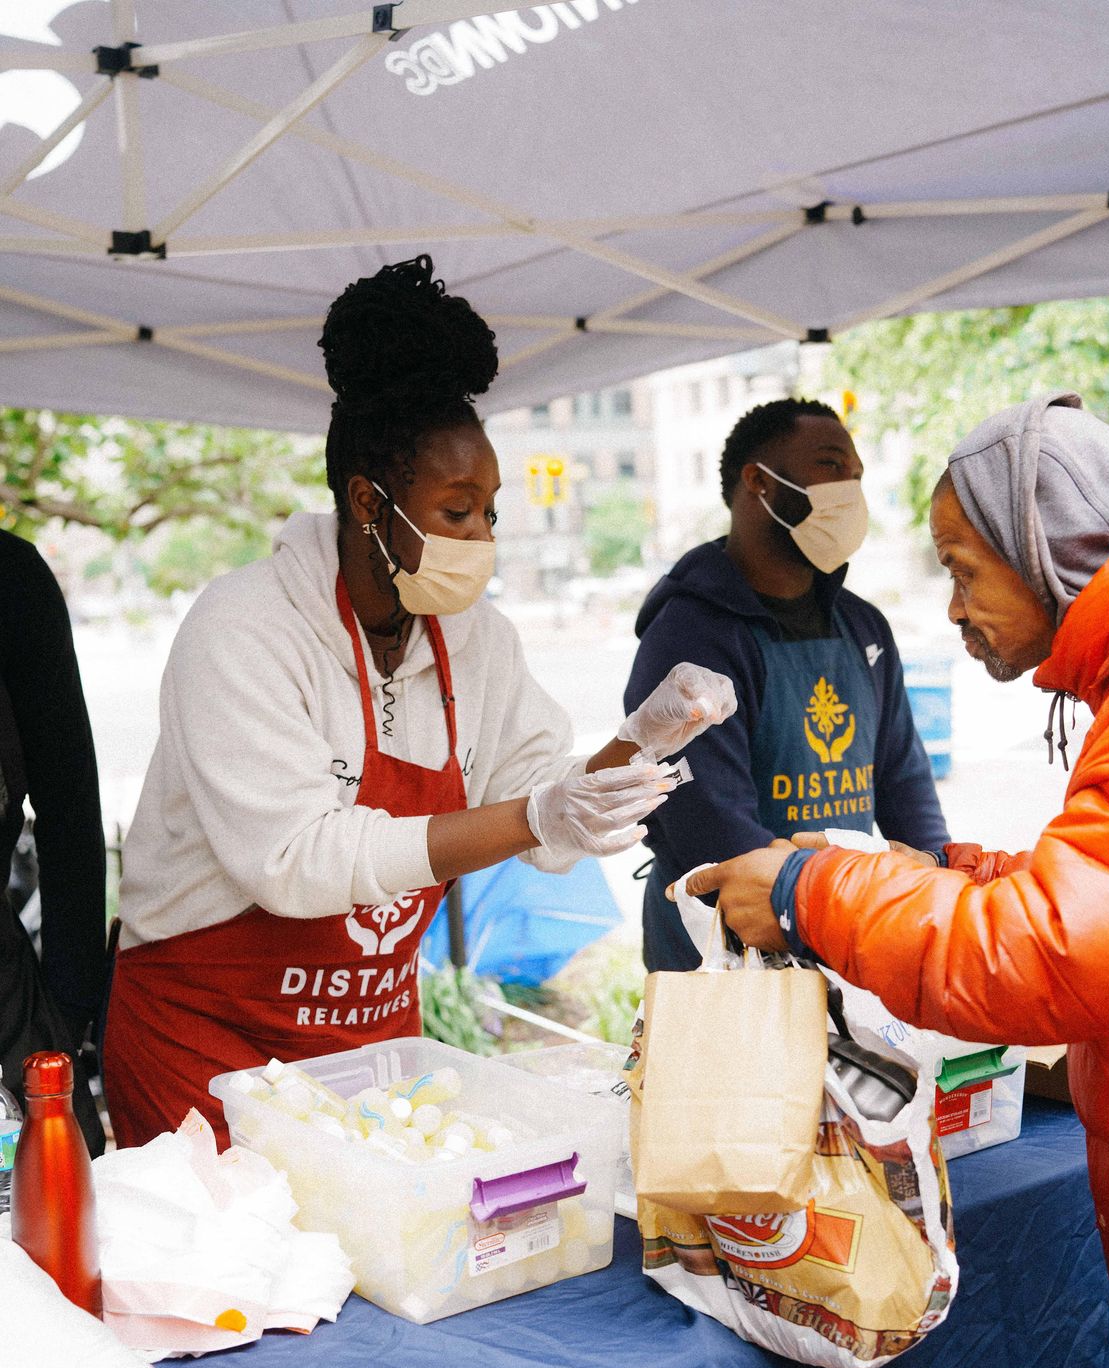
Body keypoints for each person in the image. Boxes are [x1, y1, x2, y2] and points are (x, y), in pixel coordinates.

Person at [687, 392, 1109, 1368]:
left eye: (968, 570)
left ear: (1049, 552)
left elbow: (1054, 956)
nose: (954, 604)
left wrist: (818, 889)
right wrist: (957, 872)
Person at [102, 256, 733, 1148]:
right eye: (457, 511)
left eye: (491, 513)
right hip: (204, 1052)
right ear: (368, 501)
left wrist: (643, 737)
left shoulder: (478, 639)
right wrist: (537, 814)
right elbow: (296, 859)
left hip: (369, 1052)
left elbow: (545, 807)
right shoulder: (243, 628)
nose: (484, 539)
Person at [623, 397, 946, 971]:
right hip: (721, 953)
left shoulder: (863, 626)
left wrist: (936, 889)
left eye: (857, 476)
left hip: (842, 929)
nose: (850, 488)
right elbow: (715, 831)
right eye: (830, 466)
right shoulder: (689, 639)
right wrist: (832, 902)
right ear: (759, 483)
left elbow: (903, 782)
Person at [0, 529, 106, 1155]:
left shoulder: (10, 578)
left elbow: (69, 802)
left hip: (6, 993)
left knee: (57, 1202)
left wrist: (69, 1006)